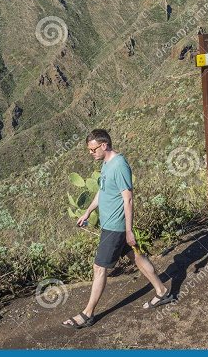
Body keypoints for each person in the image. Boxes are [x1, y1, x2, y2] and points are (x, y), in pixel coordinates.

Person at [62, 129, 173, 329]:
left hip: (115, 228)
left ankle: (87, 314)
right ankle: (162, 291)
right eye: (89, 150)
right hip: (112, 226)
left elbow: (128, 198)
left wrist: (128, 230)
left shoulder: (119, 165)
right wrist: (87, 212)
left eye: (93, 149)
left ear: (104, 145)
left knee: (99, 267)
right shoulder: (106, 163)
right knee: (137, 257)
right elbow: (102, 191)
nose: (91, 153)